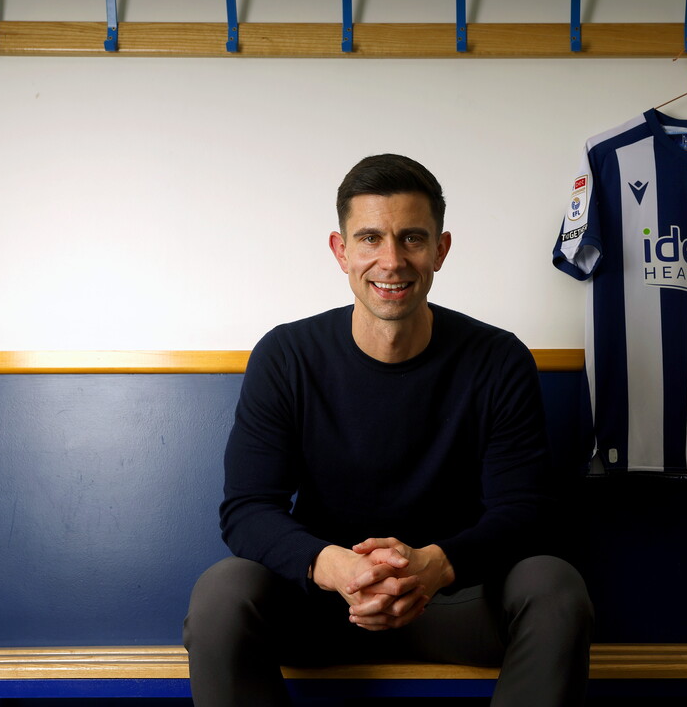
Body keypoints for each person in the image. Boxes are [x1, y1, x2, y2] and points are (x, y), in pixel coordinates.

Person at [183, 154, 593, 706]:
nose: (392, 261)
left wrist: (434, 566)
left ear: (441, 250)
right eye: (370, 238)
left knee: (554, 586)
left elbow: (523, 512)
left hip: (454, 600)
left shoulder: (497, 359)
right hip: (325, 606)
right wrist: (339, 567)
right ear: (341, 250)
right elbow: (248, 509)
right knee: (221, 593)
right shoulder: (286, 356)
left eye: (413, 239)